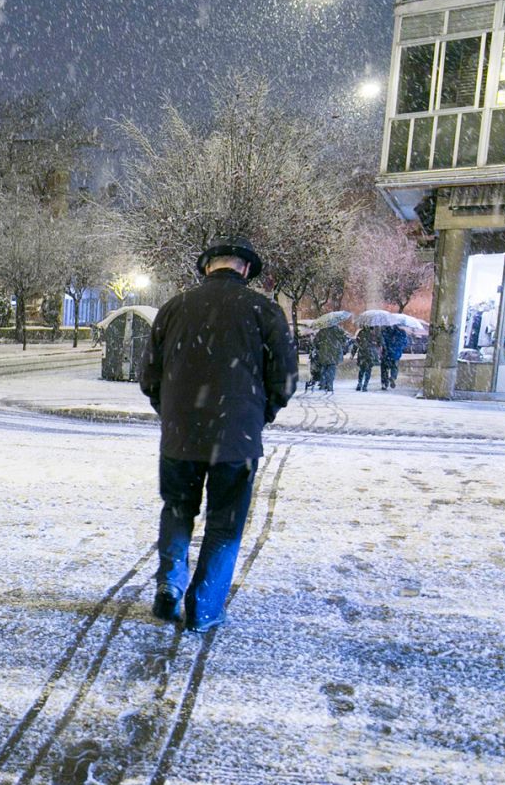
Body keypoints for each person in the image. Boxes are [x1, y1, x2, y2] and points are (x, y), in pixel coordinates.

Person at [139, 236, 297, 633]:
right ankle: (204, 606)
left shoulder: (174, 308)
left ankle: (170, 586)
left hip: (179, 437)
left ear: (207, 267)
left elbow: (149, 377)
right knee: (225, 524)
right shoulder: (264, 310)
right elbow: (285, 378)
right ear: (244, 269)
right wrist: (260, 414)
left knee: (177, 511)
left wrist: (173, 413)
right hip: (236, 438)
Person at [312, 322, 349, 394]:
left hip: (323, 353)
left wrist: (318, 347)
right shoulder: (337, 330)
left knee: (324, 368)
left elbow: (315, 341)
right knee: (331, 369)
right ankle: (330, 386)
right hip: (334, 352)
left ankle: (322, 384)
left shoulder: (322, 331)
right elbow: (344, 339)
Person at [355, 325, 382, 392]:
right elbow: (380, 343)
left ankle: (359, 383)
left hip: (362, 353)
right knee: (368, 370)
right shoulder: (375, 333)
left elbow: (356, 344)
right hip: (371, 354)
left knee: (362, 369)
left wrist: (353, 353)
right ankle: (365, 385)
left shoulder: (361, 332)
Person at [381, 323, 408, 389]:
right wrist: (399, 348)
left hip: (386, 353)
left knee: (384, 368)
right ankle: (393, 377)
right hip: (396, 353)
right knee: (394, 367)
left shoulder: (385, 331)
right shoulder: (401, 332)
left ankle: (385, 383)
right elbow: (405, 343)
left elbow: (382, 342)